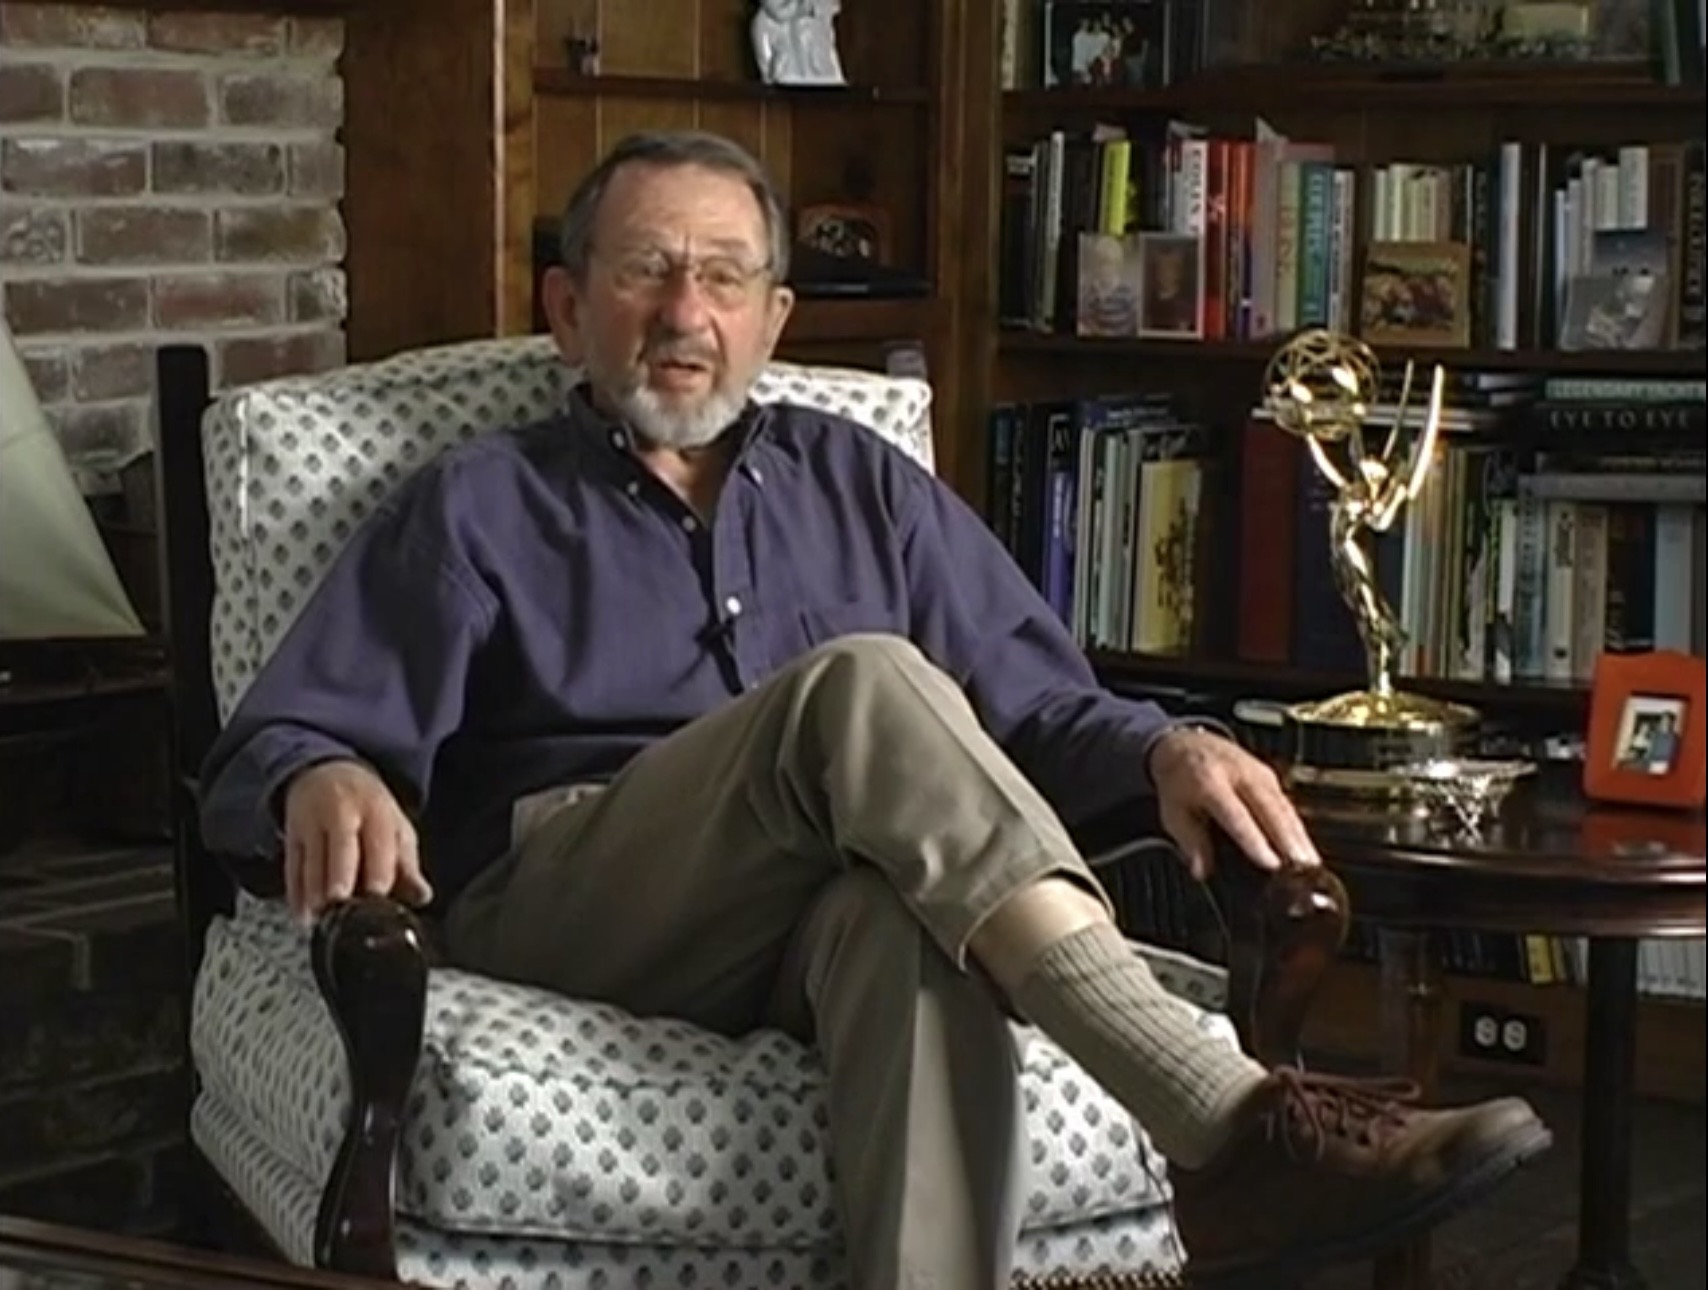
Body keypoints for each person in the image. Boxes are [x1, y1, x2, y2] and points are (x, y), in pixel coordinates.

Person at [198, 130, 1552, 1290]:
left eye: (725, 276)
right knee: (867, 682)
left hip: (806, 912)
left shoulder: (864, 485)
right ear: (567, 306)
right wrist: (321, 770)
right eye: (645, 269)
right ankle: (1221, 1120)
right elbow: (269, 744)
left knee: (907, 926)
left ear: (775, 317)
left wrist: (1166, 747)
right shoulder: (480, 502)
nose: (686, 310)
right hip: (573, 897)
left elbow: (1040, 706)